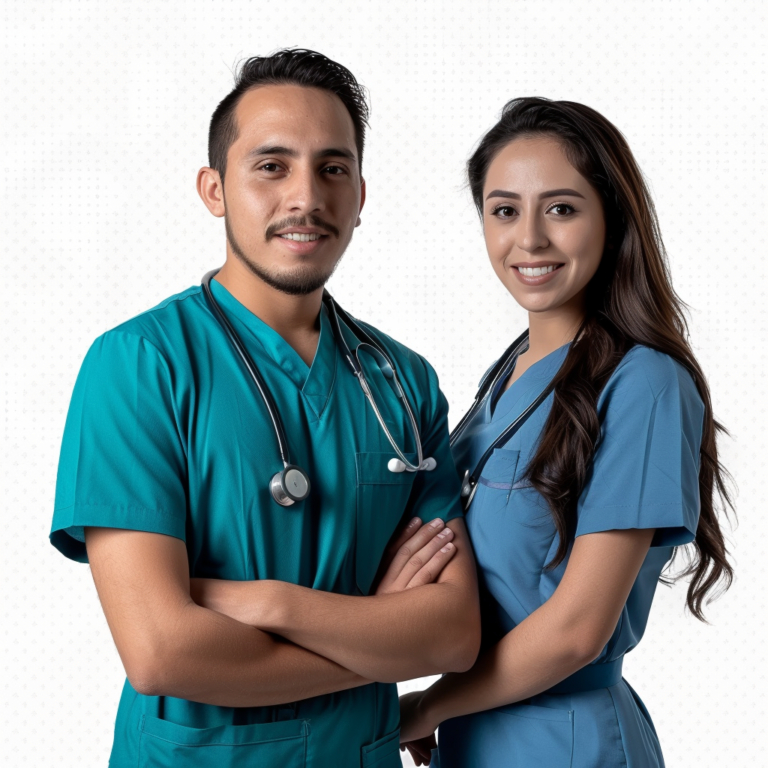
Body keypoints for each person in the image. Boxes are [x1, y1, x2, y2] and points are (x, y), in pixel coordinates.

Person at [49, 49, 480, 768]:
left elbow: (455, 633)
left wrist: (272, 603)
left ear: (361, 195)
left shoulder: (402, 383)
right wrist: (380, 641)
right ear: (214, 189)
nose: (305, 197)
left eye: (333, 169)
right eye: (272, 166)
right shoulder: (139, 366)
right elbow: (162, 653)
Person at [398, 97, 734, 768]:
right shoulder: (507, 373)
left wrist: (426, 705)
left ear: (611, 218)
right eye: (504, 211)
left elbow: (578, 630)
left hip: (565, 739)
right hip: (475, 735)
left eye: (561, 208)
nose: (529, 240)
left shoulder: (643, 383)